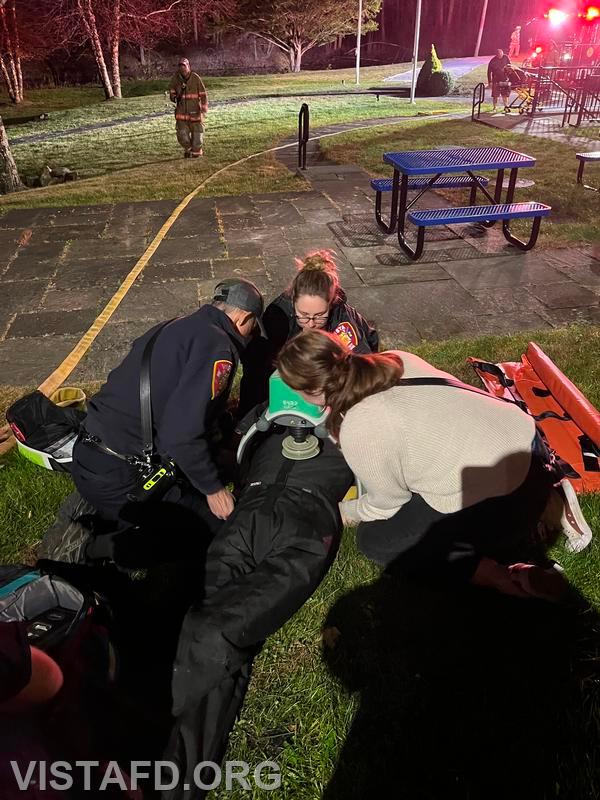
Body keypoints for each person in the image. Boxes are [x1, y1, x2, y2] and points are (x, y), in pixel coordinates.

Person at [275, 330, 592, 602]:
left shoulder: (362, 424)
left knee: (378, 540)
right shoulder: (394, 359)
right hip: (532, 445)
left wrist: (343, 512)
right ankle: (549, 498)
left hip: (507, 497)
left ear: (314, 390)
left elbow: (385, 505)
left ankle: (500, 574)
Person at [71, 279, 265, 541]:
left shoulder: (177, 325)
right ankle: (102, 549)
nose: (252, 336)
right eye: (254, 328)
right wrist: (213, 489)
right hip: (123, 478)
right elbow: (180, 435)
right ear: (245, 318)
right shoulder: (218, 346)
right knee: (220, 534)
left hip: (87, 453)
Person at [238, 250, 378, 416]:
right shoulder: (277, 316)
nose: (311, 323)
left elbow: (361, 367)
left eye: (320, 316)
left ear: (331, 303)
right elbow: (257, 367)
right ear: (293, 300)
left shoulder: (343, 321)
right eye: (303, 315)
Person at [169, 57, 208, 158]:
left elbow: (203, 94)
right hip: (181, 113)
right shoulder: (175, 78)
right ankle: (188, 149)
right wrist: (173, 96)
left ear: (188, 66)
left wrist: (204, 107)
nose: (182, 68)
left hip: (195, 112)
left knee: (197, 136)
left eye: (184, 66)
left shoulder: (195, 78)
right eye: (180, 66)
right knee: (182, 135)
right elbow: (172, 90)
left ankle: (196, 153)